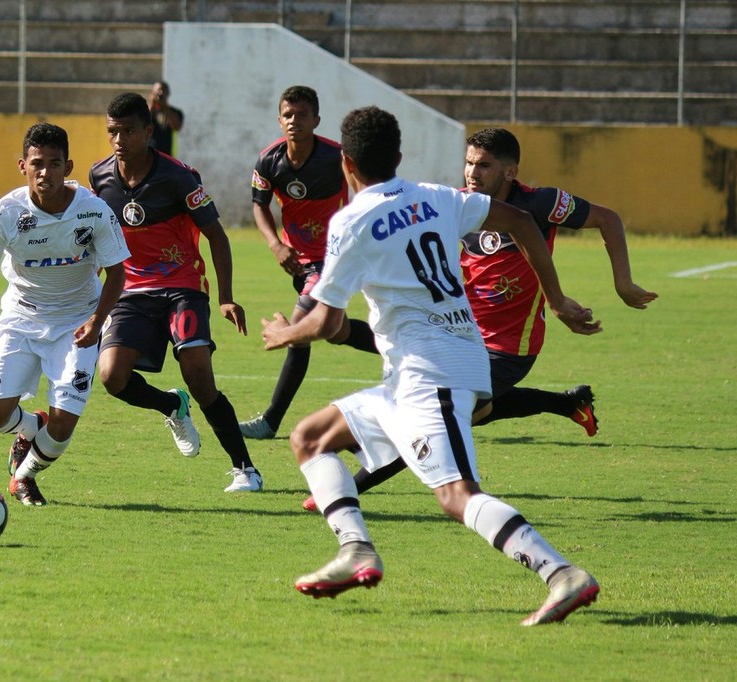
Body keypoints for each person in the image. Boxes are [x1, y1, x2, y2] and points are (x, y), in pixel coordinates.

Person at [262, 106, 602, 625]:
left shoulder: (352, 221)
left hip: (433, 372)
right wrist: (554, 298)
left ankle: (561, 573)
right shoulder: (437, 197)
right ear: (398, 157)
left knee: (456, 494)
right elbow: (522, 221)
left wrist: (286, 331)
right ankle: (356, 551)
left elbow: (327, 325)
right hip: (422, 369)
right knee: (311, 438)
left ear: (346, 165)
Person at [302, 127, 659, 510]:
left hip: (509, 347)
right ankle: (566, 404)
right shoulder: (458, 204)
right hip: (457, 333)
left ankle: (347, 491)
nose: (472, 173)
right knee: (465, 409)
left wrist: (621, 283)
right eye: (469, 163)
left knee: (439, 418)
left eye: (484, 165)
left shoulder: (541, 204)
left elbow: (608, 219)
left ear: (509, 171)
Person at [89, 92, 263, 493]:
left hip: (182, 286)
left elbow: (217, 236)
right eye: (113, 132)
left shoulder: (179, 176)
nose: (119, 140)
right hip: (130, 291)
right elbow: (98, 240)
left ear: (149, 132)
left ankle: (246, 470)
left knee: (199, 374)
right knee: (112, 377)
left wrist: (225, 296)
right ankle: (171, 405)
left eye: (129, 131)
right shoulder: (99, 179)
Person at [0, 122, 131, 507]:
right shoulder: (5, 213)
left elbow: (118, 274)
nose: (45, 173)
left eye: (54, 164)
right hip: (21, 317)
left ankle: (23, 477)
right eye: (37, 164)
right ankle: (30, 425)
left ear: (67, 166)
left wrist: (96, 321)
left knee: (63, 425)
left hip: (77, 323)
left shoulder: (94, 212)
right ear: (22, 165)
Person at [239, 85, 377, 441]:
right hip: (299, 263)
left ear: (316, 119)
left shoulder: (337, 157)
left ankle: (270, 420)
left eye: (302, 115)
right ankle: (407, 347)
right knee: (336, 332)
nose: (294, 121)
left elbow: (363, 189)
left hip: (333, 258)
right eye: (288, 114)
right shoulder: (269, 160)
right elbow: (259, 204)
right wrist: (275, 244)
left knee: (299, 328)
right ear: (279, 118)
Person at [147, 81, 183, 156]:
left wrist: (164, 107)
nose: (160, 93)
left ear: (168, 93)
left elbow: (176, 127)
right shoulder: (147, 111)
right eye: (158, 90)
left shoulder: (175, 112)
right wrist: (151, 104)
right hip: (149, 153)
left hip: (166, 155)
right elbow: (143, 122)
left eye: (163, 90)